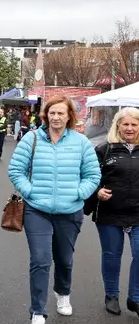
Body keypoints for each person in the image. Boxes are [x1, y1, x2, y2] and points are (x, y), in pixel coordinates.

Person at [8, 95, 101, 324]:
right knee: (40, 259)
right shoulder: (32, 139)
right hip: (37, 210)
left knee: (64, 259)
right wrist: (29, 191)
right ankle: (37, 310)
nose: (56, 117)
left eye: (61, 113)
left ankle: (63, 293)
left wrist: (78, 193)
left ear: (69, 116)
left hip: (70, 211)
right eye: (52, 113)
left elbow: (93, 175)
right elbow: (15, 170)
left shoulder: (81, 142)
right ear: (45, 115)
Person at [85, 107, 139, 316]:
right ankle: (111, 295)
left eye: (134, 124)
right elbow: (90, 177)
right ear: (118, 125)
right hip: (110, 213)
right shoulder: (104, 149)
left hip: (137, 213)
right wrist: (97, 192)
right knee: (112, 256)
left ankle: (135, 298)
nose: (130, 128)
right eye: (125, 124)